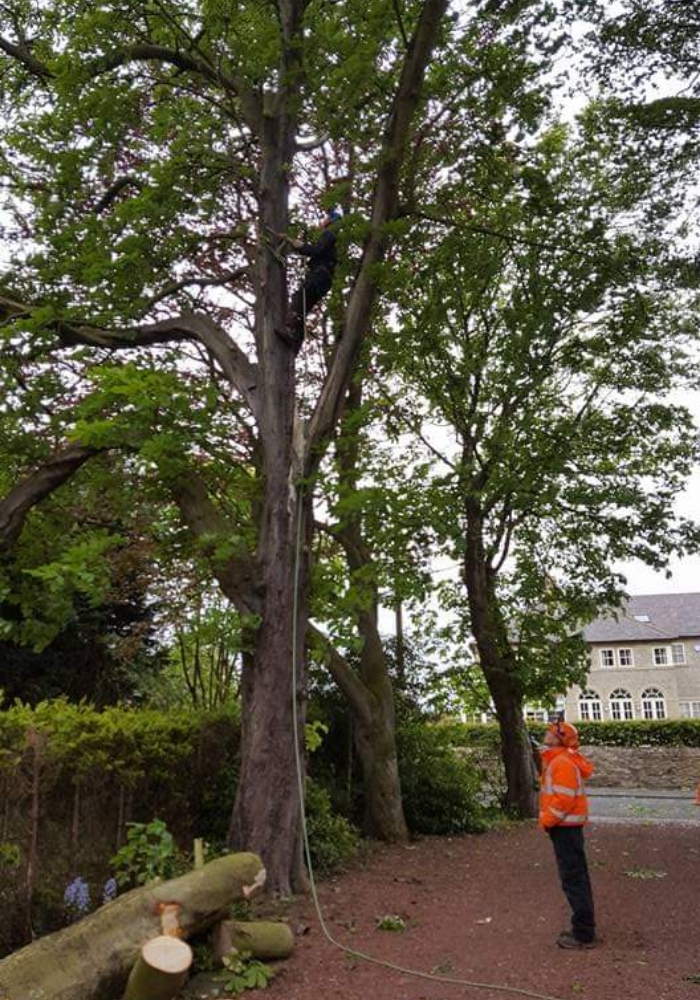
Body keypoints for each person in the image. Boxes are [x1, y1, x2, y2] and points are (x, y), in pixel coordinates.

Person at [539, 717, 597, 949]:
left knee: (573, 880)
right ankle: (584, 928)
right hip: (568, 829)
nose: (547, 732)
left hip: (564, 828)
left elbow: (563, 800)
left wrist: (546, 821)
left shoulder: (561, 762)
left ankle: (583, 933)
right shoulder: (562, 760)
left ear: (559, 738)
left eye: (551, 731)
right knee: (577, 878)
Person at [274, 207, 342, 353]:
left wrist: (299, 245)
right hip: (322, 279)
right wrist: (301, 245)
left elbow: (316, 250)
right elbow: (316, 252)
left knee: (299, 298)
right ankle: (295, 343)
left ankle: (291, 331)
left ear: (330, 221)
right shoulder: (329, 239)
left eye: (325, 219)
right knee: (303, 308)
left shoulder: (329, 235)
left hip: (319, 276)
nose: (322, 221)